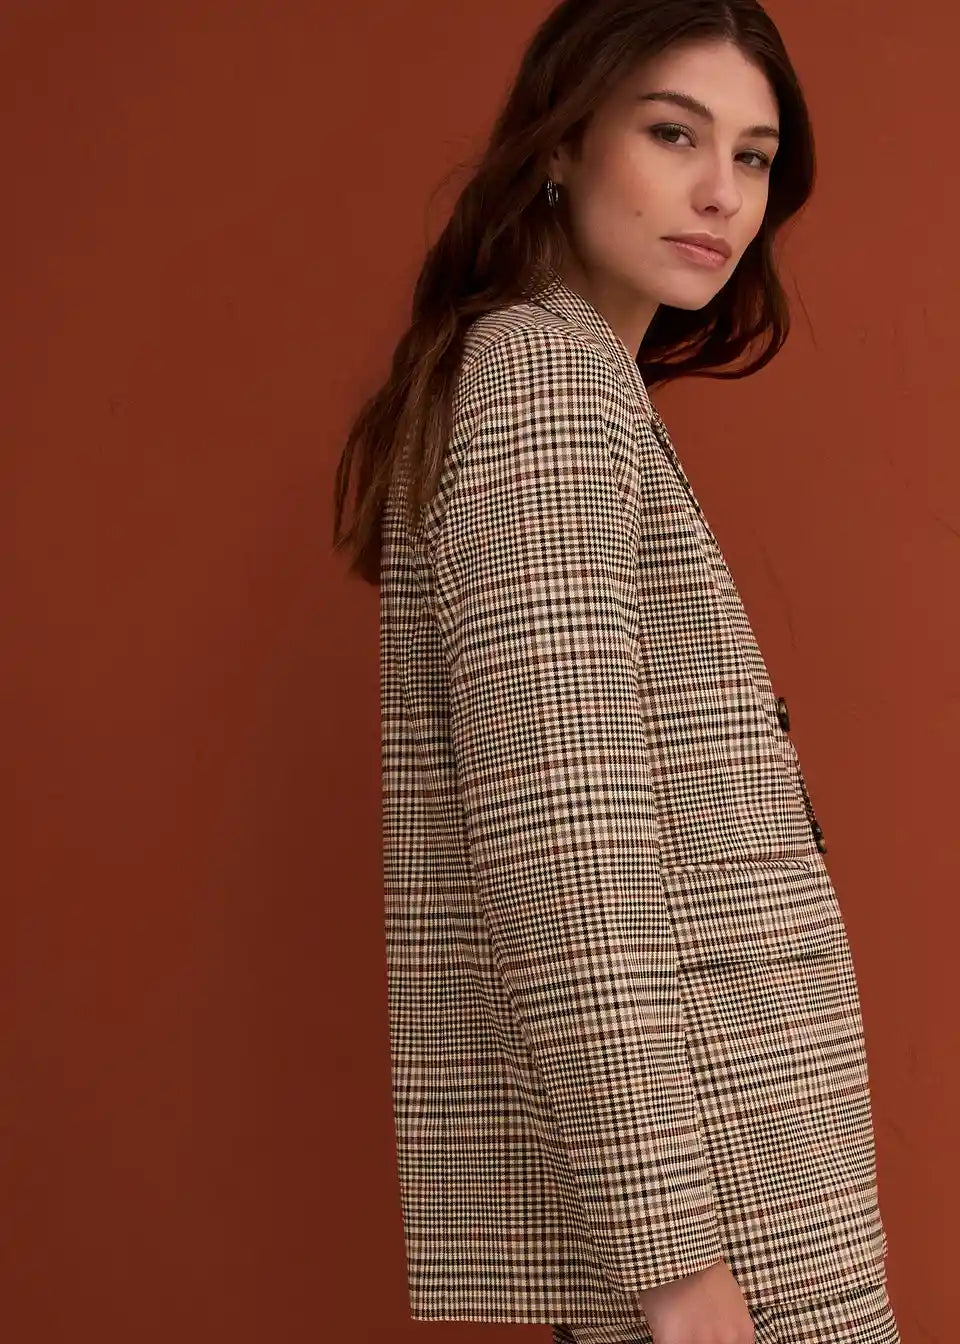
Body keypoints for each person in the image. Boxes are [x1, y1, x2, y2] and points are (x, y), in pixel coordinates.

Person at [332, 1, 899, 1340]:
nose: (722, 194)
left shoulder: (566, 373)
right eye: (672, 134)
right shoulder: (545, 381)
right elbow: (566, 842)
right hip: (727, 1186)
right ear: (560, 143)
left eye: (753, 156)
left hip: (740, 1151)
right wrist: (673, 1263)